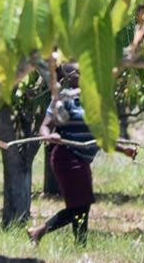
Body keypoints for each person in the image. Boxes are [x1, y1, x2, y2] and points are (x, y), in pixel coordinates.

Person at [27, 73, 136, 244]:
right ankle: (40, 232)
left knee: (81, 205)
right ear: (70, 78)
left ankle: (76, 243)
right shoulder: (64, 100)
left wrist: (123, 149)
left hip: (81, 160)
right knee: (81, 204)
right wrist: (49, 136)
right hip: (67, 156)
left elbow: (101, 136)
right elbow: (44, 127)